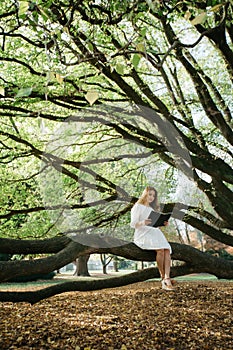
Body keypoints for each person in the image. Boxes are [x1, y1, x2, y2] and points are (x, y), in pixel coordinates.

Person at [130, 186, 174, 291]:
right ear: (145, 194)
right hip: (143, 233)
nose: (152, 197)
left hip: (154, 232)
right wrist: (143, 222)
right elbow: (133, 224)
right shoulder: (137, 206)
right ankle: (163, 278)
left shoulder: (151, 209)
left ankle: (167, 277)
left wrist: (163, 223)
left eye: (153, 196)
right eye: (150, 194)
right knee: (160, 250)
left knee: (166, 250)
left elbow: (154, 224)